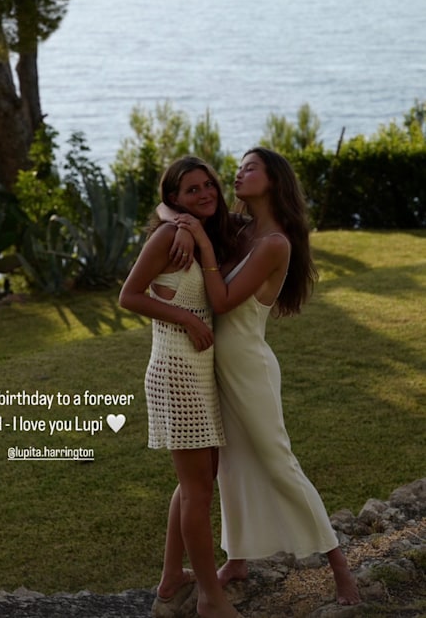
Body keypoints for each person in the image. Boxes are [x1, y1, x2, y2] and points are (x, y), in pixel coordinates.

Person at [170, 147, 361, 606]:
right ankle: (237, 560)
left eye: (249, 168)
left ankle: (341, 571)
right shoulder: (240, 229)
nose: (236, 175)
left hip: (248, 367)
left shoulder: (274, 243)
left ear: (273, 179)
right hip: (216, 364)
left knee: (278, 462)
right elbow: (170, 207)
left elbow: (221, 301)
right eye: (235, 169)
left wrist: (200, 236)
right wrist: (187, 223)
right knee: (231, 467)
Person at [118, 156, 244, 618]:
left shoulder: (203, 232)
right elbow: (129, 295)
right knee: (197, 491)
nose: (206, 193)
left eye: (208, 184)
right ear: (173, 199)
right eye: (192, 190)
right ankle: (211, 598)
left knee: (196, 483)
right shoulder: (170, 236)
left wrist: (187, 222)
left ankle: (173, 579)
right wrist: (186, 317)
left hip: (199, 369)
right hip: (175, 369)